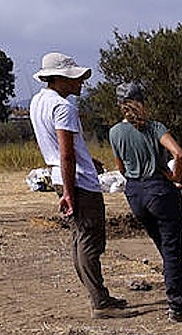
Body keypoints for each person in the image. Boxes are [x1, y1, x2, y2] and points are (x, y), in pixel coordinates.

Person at [29, 52, 126, 317]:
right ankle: (100, 302)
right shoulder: (64, 107)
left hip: (64, 176)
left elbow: (62, 150)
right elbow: (66, 153)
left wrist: (85, 161)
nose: (80, 83)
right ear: (60, 79)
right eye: (75, 78)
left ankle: (100, 296)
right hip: (78, 182)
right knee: (89, 240)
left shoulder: (38, 101)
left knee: (79, 239)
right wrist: (71, 193)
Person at [107, 82, 182, 323]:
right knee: (172, 248)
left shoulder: (114, 133)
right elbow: (180, 155)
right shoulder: (154, 128)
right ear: (142, 102)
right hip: (159, 190)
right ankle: (178, 305)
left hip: (134, 192)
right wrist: (175, 176)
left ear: (121, 106)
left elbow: (121, 168)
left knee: (163, 247)